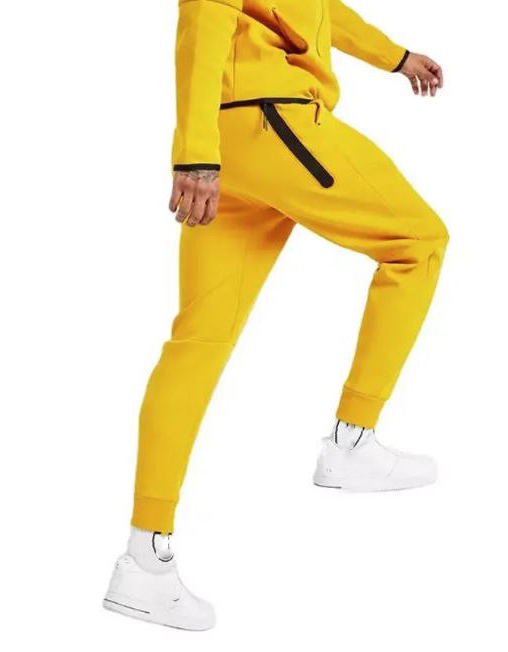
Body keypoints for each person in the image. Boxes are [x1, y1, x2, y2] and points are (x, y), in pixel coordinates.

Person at [103, 0, 448, 630]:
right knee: (419, 243)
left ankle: (144, 561)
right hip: (271, 120)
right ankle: (352, 441)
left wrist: (395, 58)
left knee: (198, 342)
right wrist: (193, 153)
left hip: (236, 142)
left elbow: (320, 10)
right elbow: (205, 17)